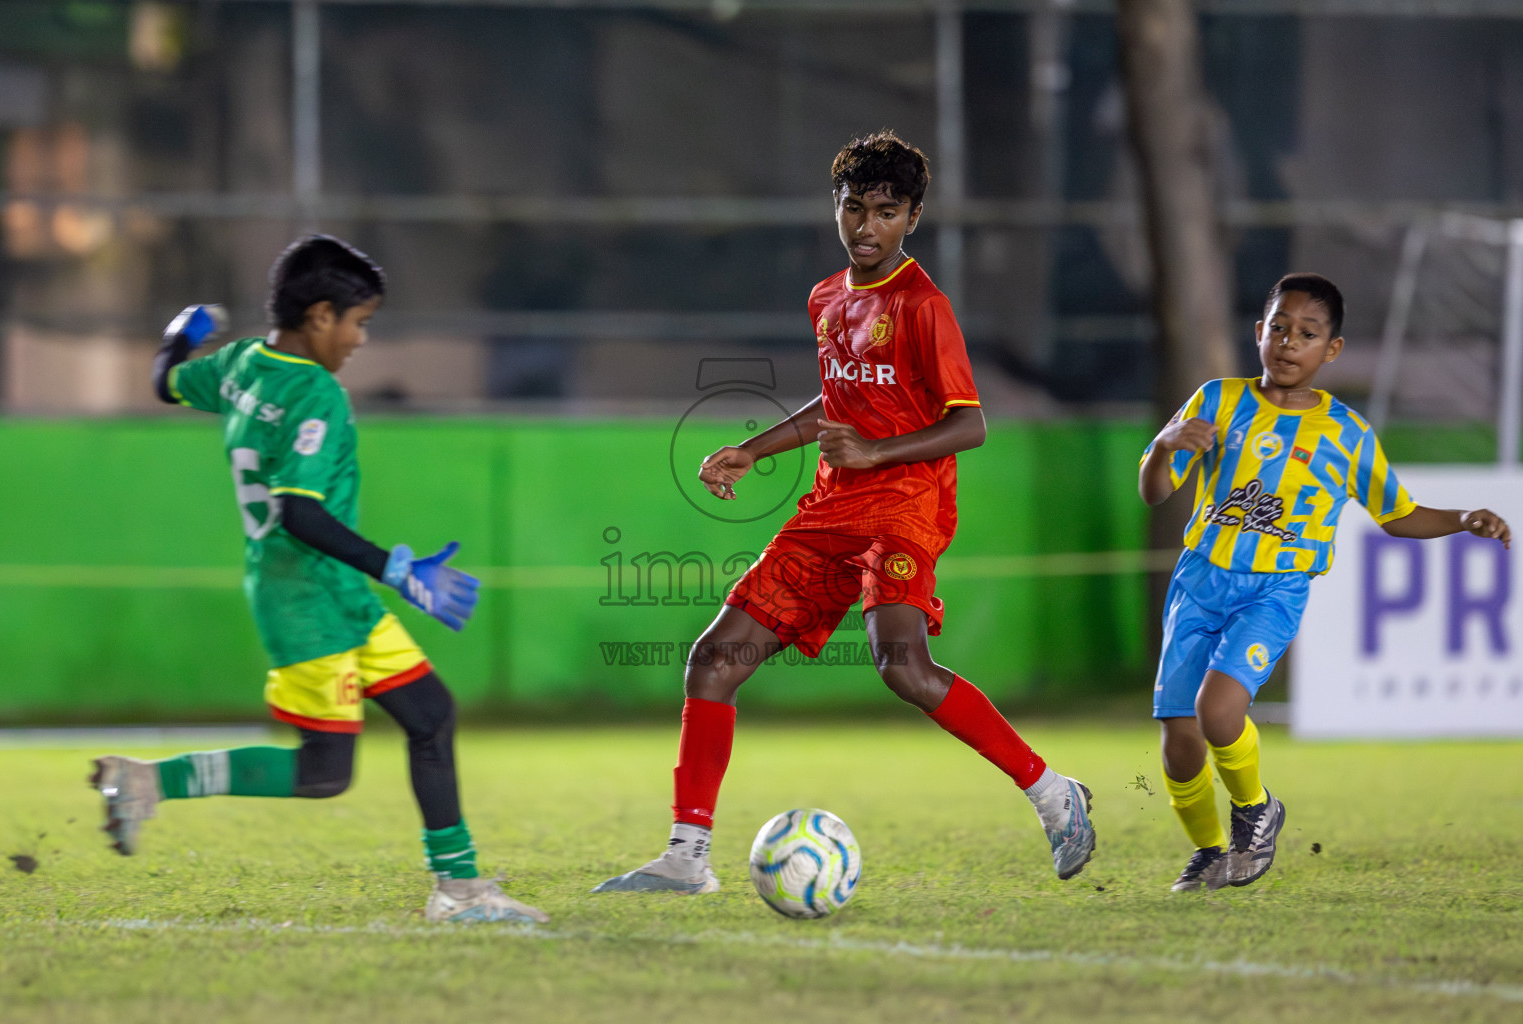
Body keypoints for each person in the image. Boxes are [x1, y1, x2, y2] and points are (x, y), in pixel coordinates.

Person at [593, 131, 1096, 898]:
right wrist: (754, 450)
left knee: (902, 667)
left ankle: (1052, 792)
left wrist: (875, 454)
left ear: (912, 218)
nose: (866, 226)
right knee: (712, 662)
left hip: (904, 505)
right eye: (853, 208)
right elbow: (839, 398)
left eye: (885, 212)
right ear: (836, 207)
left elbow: (970, 424)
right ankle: (686, 857)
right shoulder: (827, 298)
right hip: (830, 506)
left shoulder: (923, 307)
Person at [89, 235, 548, 925]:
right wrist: (395, 567)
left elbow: (165, 383)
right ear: (320, 315)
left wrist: (177, 338)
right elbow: (300, 515)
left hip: (328, 592)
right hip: (304, 600)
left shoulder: (241, 364)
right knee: (324, 773)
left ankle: (458, 888)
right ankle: (147, 781)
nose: (361, 339)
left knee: (431, 716)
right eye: (359, 322)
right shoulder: (316, 396)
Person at [1140, 272, 1511, 893]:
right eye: (1279, 328)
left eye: (1307, 333)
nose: (1289, 342)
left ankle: (1256, 810)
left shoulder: (1347, 434)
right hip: (1200, 581)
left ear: (1330, 350)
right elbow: (1155, 493)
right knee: (1180, 743)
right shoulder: (1216, 400)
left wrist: (1461, 519)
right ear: (1259, 333)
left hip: (1274, 589)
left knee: (1218, 709)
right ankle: (1209, 851)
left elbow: (1399, 515)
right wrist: (1162, 443)